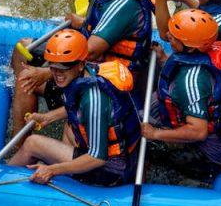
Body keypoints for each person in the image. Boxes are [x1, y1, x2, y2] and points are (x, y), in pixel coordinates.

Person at [10, 0, 155, 131]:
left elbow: (92, 51)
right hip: (88, 65)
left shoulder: (125, 5)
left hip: (104, 79)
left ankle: (21, 144)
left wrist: (45, 73)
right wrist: (84, 23)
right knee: (22, 48)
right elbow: (104, 27)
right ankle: (31, 104)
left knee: (25, 81)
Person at [8, 30, 142, 186]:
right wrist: (47, 117)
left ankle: (2, 181)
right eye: (53, 66)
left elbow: (97, 157)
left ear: (80, 64)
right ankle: (68, 175)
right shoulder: (90, 71)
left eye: (64, 67)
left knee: (32, 143)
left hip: (111, 170)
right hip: (120, 155)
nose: (57, 73)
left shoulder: (94, 99)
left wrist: (53, 169)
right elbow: (76, 106)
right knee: (70, 126)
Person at [141, 9, 221, 182]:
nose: (167, 36)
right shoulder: (202, 54)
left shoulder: (192, 80)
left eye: (174, 36)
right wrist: (163, 59)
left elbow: (198, 132)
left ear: (189, 47)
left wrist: (155, 134)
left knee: (145, 145)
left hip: (212, 154)